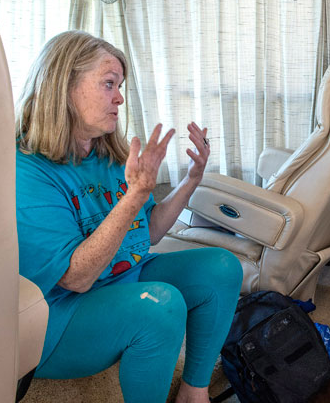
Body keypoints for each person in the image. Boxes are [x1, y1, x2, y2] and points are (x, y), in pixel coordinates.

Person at [15, 30, 243, 403]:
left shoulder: (108, 154)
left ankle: (194, 390)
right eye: (108, 84)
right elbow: (76, 278)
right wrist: (135, 193)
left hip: (122, 278)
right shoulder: (27, 169)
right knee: (161, 304)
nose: (119, 97)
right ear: (64, 85)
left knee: (222, 266)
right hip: (56, 319)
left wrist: (191, 180)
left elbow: (149, 232)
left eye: (120, 85)